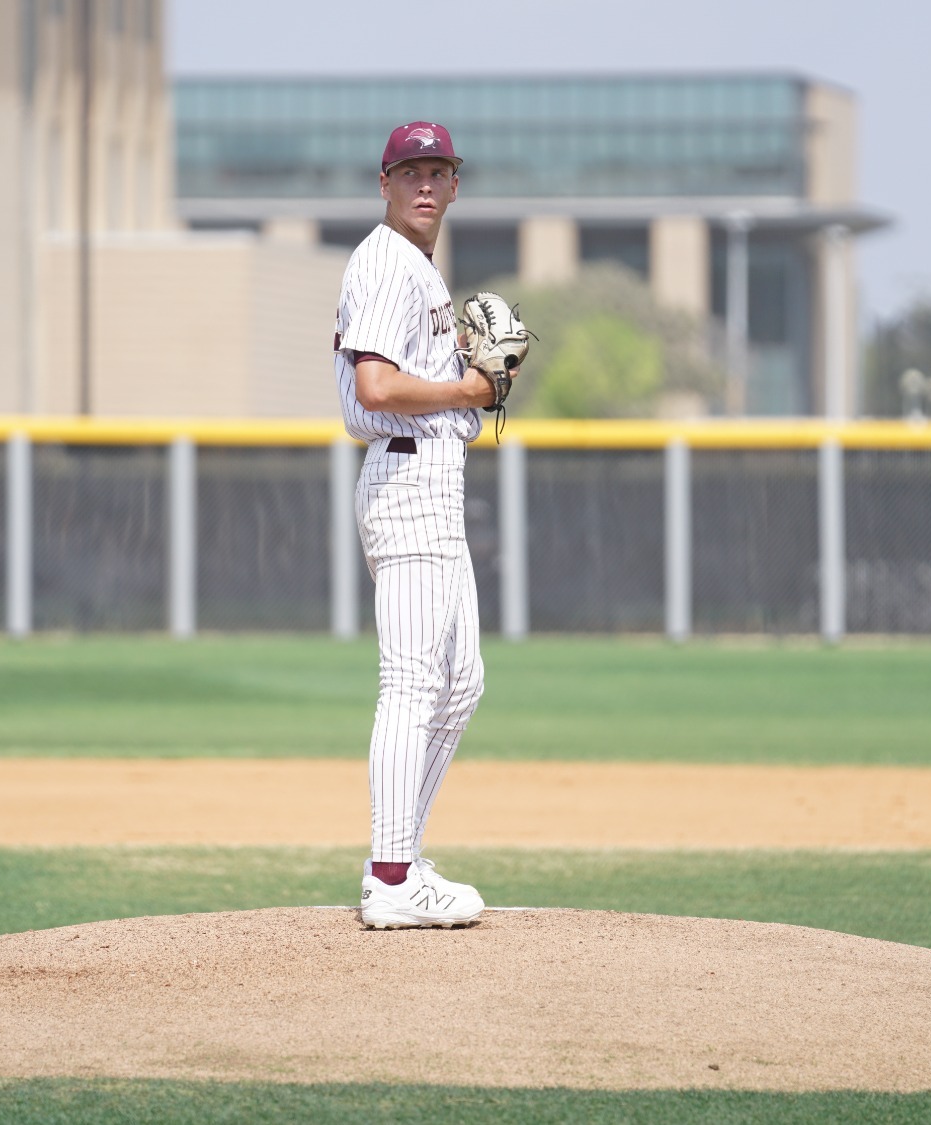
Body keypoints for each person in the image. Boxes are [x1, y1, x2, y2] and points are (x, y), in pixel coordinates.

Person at [333, 122, 503, 929]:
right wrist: (468, 389)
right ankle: (392, 877)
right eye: (411, 172)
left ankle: (402, 854)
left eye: (439, 171)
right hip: (406, 476)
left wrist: (460, 371)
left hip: (433, 478)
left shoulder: (418, 268)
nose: (426, 184)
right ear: (385, 184)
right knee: (410, 683)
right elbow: (374, 387)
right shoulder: (384, 261)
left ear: (456, 185)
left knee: (460, 682)